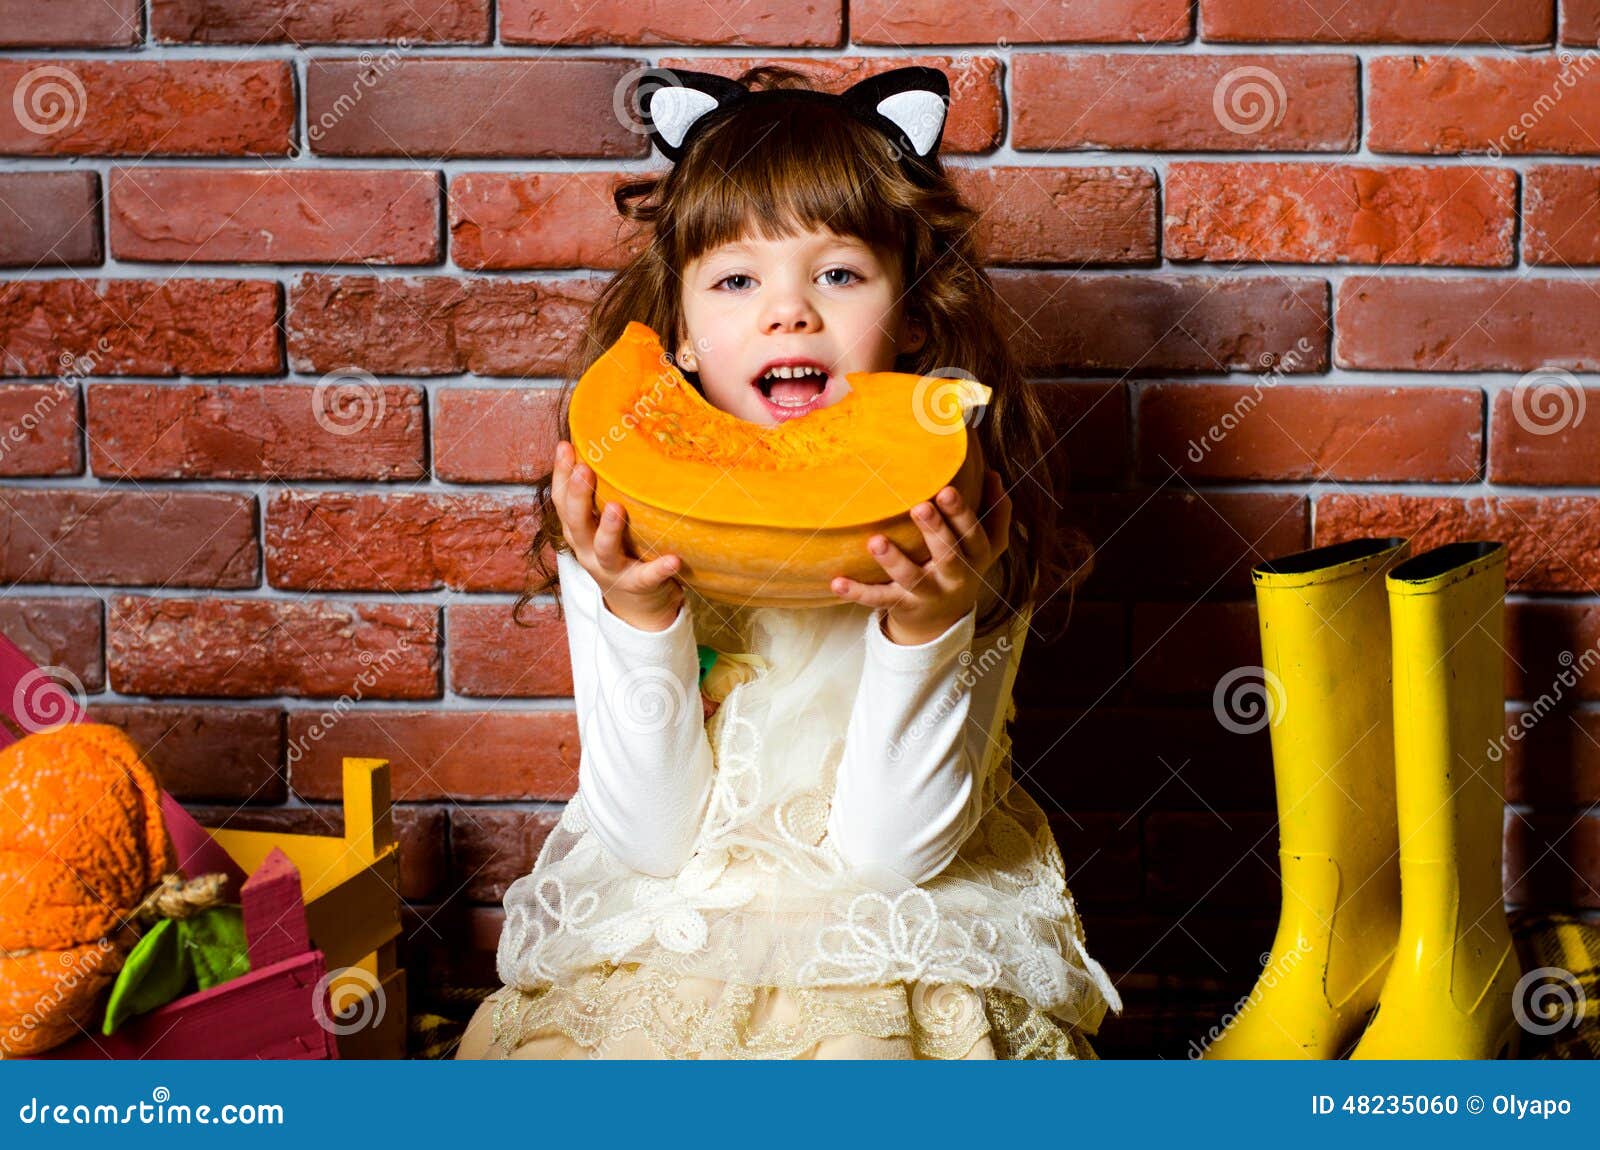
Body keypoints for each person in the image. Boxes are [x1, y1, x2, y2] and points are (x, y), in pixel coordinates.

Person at [455, 63, 1121, 1060]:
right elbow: (647, 840)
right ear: (678, 333)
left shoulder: (956, 523)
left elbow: (896, 858)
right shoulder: (622, 515)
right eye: (735, 279)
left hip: (895, 945)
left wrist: (927, 624)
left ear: (912, 316)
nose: (789, 311)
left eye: (839, 273)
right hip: (671, 935)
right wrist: (640, 615)